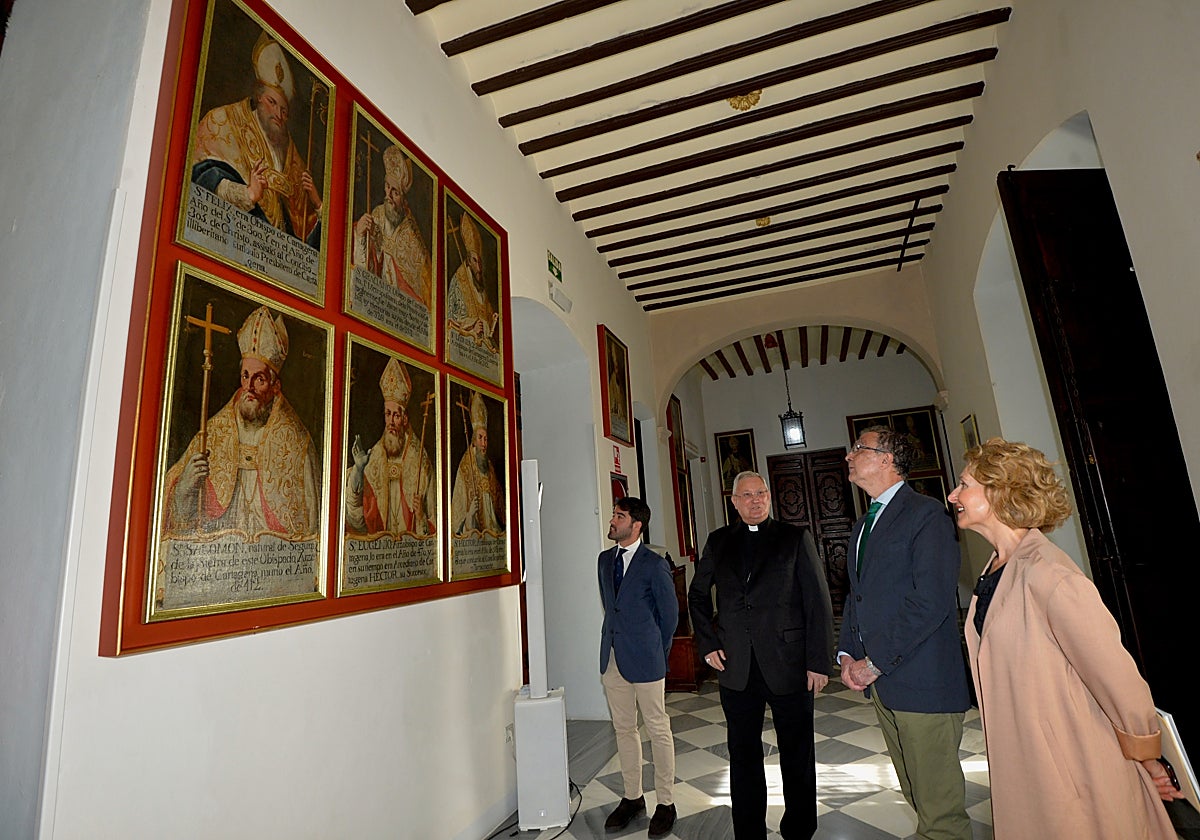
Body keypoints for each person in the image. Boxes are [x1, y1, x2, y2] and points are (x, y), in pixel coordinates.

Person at [949, 438, 1183, 839]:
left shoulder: (1048, 574)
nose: (953, 495)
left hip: (1072, 761)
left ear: (1001, 490)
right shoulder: (995, 570)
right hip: (1026, 756)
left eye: (965, 484)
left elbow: (1113, 674)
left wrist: (1149, 754)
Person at [840, 426, 972, 840]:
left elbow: (931, 602)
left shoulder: (926, 514)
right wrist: (846, 653)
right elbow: (857, 597)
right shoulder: (865, 523)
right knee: (916, 793)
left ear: (886, 459)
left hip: (922, 680)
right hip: (886, 684)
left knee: (940, 811)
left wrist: (874, 662)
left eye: (859, 448)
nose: (849, 455)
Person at [688, 471, 833, 839]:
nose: (755, 500)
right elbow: (698, 596)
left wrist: (819, 662)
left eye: (761, 494)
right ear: (734, 502)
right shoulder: (718, 542)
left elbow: (818, 602)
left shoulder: (794, 538)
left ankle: (799, 827)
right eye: (747, 495)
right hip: (736, 667)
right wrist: (708, 644)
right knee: (743, 754)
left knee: (797, 754)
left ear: (769, 498)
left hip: (789, 663)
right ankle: (749, 830)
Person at [165, 306, 320, 538]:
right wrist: (186, 486)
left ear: (275, 386)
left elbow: (311, 527)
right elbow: (180, 517)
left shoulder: (297, 444)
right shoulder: (213, 433)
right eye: (245, 376)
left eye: (259, 379)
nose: (248, 387)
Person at [191, 32, 322, 246]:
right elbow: (198, 178)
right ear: (259, 97)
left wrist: (316, 204)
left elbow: (302, 228)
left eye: (284, 110)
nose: (279, 114)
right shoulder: (223, 121)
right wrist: (248, 194)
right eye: (272, 102)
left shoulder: (292, 156)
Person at [597, 497, 678, 838]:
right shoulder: (604, 560)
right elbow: (610, 607)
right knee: (624, 730)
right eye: (614, 514)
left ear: (637, 525)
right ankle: (633, 798)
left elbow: (669, 615)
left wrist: (657, 652)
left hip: (646, 658)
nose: (613, 520)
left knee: (657, 728)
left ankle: (666, 803)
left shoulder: (653, 564)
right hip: (612, 656)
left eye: (620, 516)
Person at [344, 357, 435, 537]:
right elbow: (356, 519)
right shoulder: (375, 458)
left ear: (405, 419)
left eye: (396, 415)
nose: (391, 422)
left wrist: (420, 516)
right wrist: (358, 472)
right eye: (388, 414)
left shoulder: (420, 462)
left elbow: (433, 522)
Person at [352, 144, 432, 307]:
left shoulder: (412, 239)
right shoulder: (377, 214)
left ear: (403, 199)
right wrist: (359, 234)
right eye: (387, 186)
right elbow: (364, 266)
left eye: (394, 192)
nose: (387, 195)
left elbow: (421, 294)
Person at [450, 390, 503, 535]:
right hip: (474, 529)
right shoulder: (465, 467)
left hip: (492, 529)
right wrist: (470, 514)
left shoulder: (489, 466)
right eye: (480, 438)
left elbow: (499, 505)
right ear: (473, 439)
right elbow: (457, 513)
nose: (484, 443)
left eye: (486, 439)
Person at [446, 211, 498, 354]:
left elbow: (487, 327)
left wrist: (489, 322)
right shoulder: (458, 281)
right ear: (468, 260)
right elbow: (450, 319)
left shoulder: (480, 287)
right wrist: (471, 327)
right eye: (475, 261)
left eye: (480, 262)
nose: (479, 268)